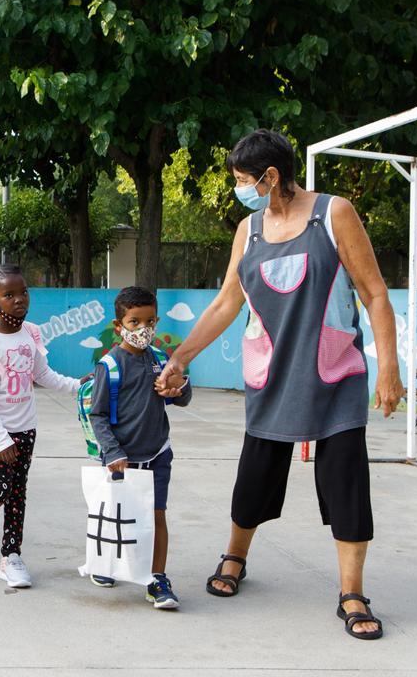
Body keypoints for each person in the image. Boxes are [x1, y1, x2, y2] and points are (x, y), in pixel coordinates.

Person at [155, 129, 402, 641]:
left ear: (271, 177)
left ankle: (352, 592)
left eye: (245, 181)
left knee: (346, 486)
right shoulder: (249, 229)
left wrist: (389, 369)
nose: (240, 190)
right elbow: (228, 301)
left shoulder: (335, 214)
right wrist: (181, 357)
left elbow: (374, 293)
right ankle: (235, 556)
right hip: (271, 376)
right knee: (255, 479)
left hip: (334, 375)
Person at [0, 264, 82, 590]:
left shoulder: (32, 333)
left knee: (17, 494)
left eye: (23, 292)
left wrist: (76, 385)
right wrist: (0, 438)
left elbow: (43, 375)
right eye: (8, 294)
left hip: (26, 428)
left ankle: (11, 557)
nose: (18, 299)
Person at [86, 286, 191, 608]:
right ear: (119, 326)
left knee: (156, 516)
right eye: (134, 322)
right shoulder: (110, 366)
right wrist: (113, 452)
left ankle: (157, 578)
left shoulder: (161, 361)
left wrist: (179, 387)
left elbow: (183, 399)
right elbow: (98, 415)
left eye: (149, 321)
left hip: (157, 453)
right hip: (122, 459)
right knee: (118, 516)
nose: (142, 329)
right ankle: (107, 563)